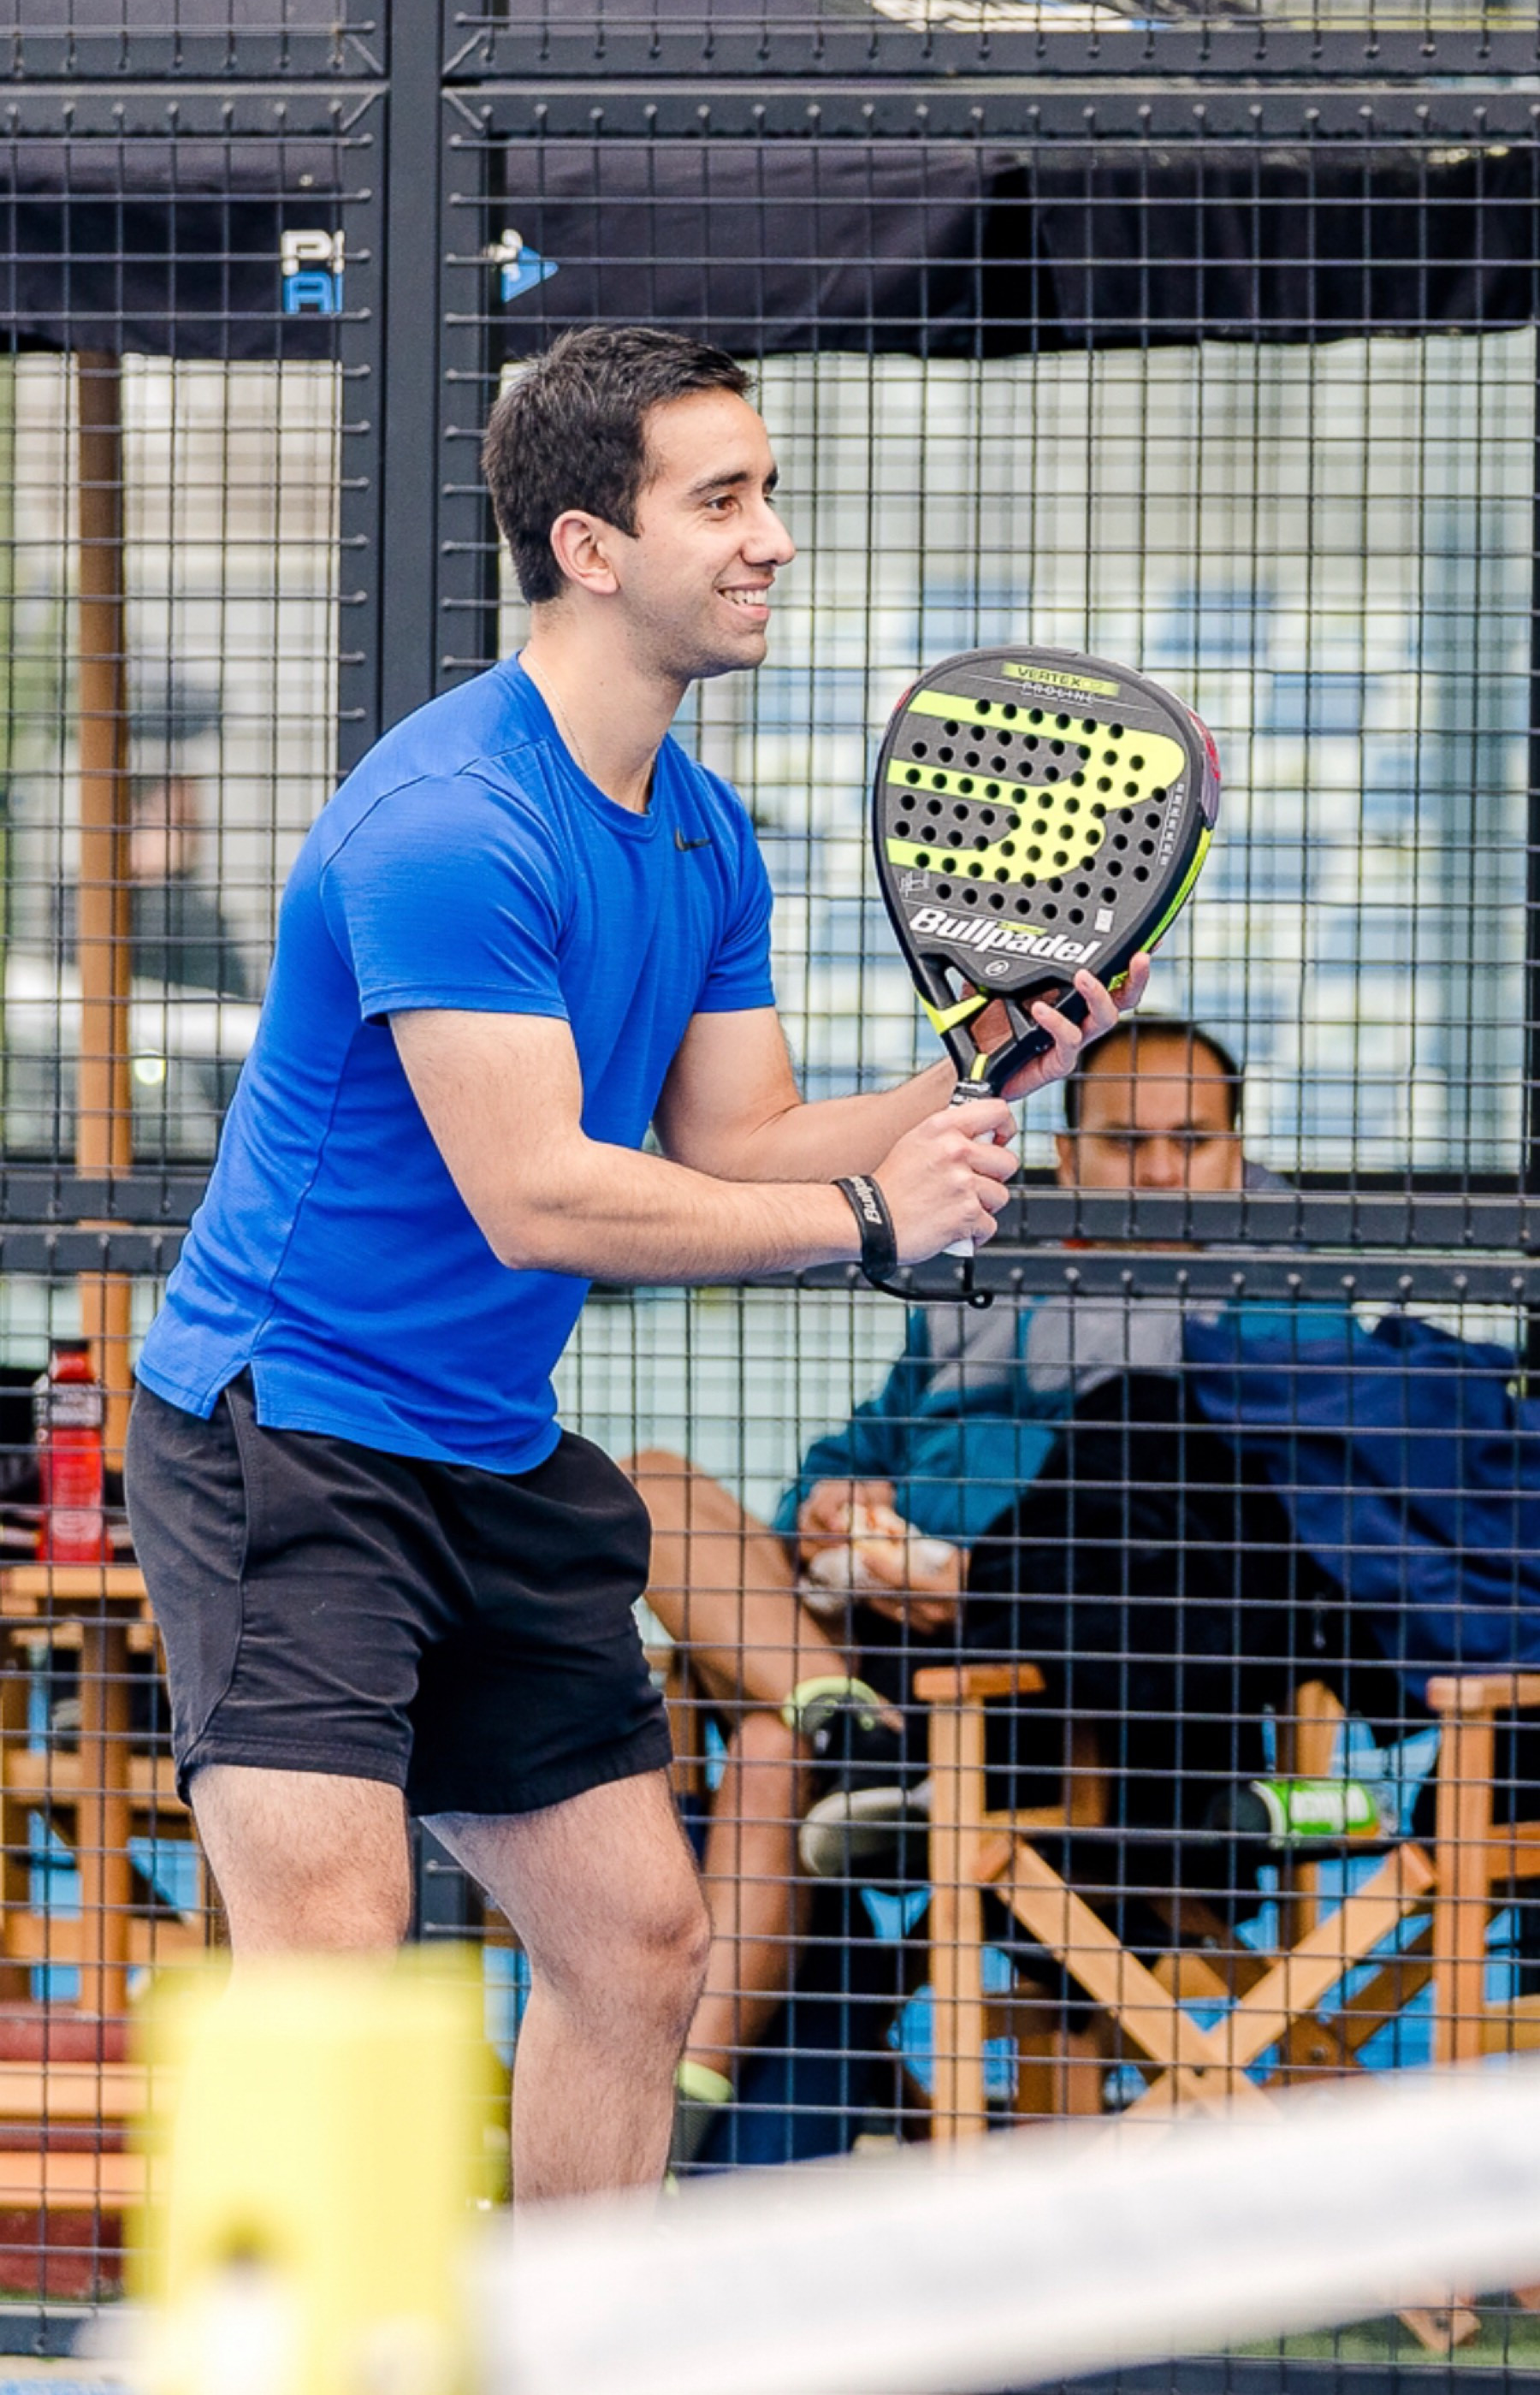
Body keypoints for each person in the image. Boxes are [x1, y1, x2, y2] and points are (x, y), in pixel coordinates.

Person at [122, 324, 1145, 2203]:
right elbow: (541, 1197)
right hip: (287, 1441)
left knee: (638, 1944)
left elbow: (739, 1139)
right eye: (722, 500)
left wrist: (981, 1073)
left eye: (770, 494)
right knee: (333, 1967)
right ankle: (315, 2339)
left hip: (484, 1446)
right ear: (590, 547)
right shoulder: (452, 825)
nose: (772, 539)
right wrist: (873, 1221)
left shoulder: (700, 829)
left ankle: (569, 2335)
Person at [643, 1014, 1253, 2159]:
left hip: (1042, 1672)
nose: (1162, 1170)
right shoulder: (980, 1261)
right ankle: (834, 1707)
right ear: (1067, 1155)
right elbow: (863, 1443)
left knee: (771, 1741)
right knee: (648, 1485)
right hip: (866, 1627)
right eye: (1127, 1142)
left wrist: (965, 1576)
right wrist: (831, 1508)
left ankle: (677, 2112)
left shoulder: (1265, 1314)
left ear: (1238, 1152)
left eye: (1192, 1142)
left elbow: (1211, 1550)